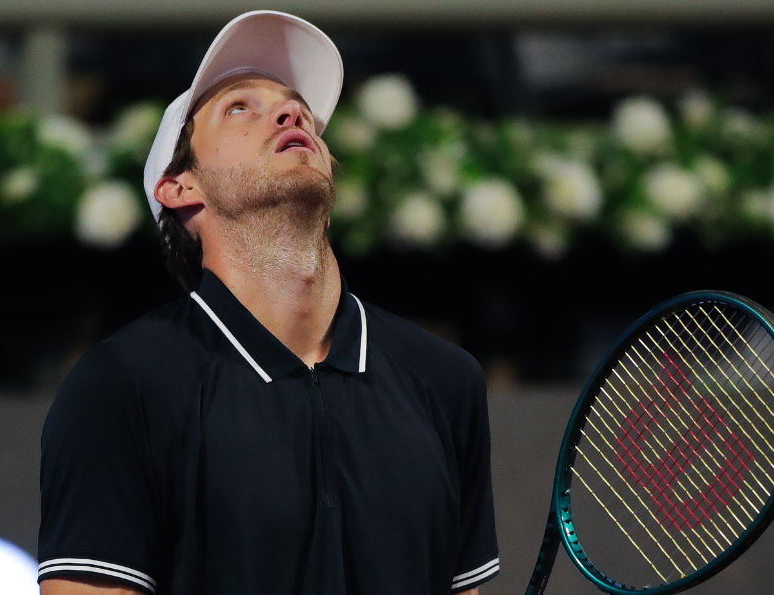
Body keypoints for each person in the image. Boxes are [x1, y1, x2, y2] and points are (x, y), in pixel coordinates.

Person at [38, 11, 498, 595]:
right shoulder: (118, 387)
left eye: (296, 108)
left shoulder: (447, 380)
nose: (291, 114)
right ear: (180, 187)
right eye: (239, 109)